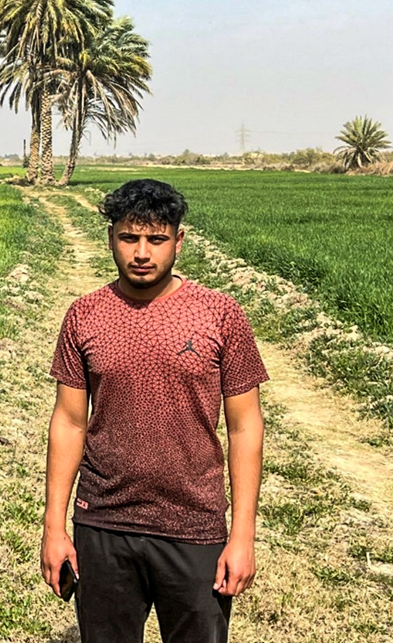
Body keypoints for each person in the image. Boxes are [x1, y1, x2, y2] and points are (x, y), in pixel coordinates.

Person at [40, 179, 268, 643]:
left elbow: (245, 426)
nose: (142, 252)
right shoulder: (85, 315)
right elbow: (68, 421)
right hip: (103, 522)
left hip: (194, 526)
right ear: (111, 238)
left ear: (178, 241)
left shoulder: (220, 314)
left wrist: (242, 535)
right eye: (129, 238)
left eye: (156, 240)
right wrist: (54, 527)